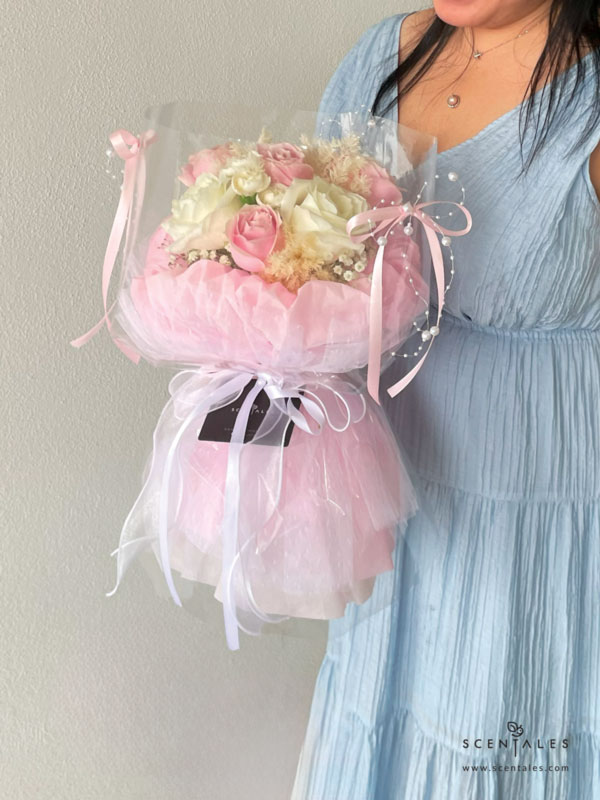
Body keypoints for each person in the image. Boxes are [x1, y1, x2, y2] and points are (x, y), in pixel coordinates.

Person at [291, 2, 600, 798]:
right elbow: (314, 261)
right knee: (390, 709)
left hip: (539, 496)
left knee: (502, 723)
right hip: (388, 473)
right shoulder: (380, 55)